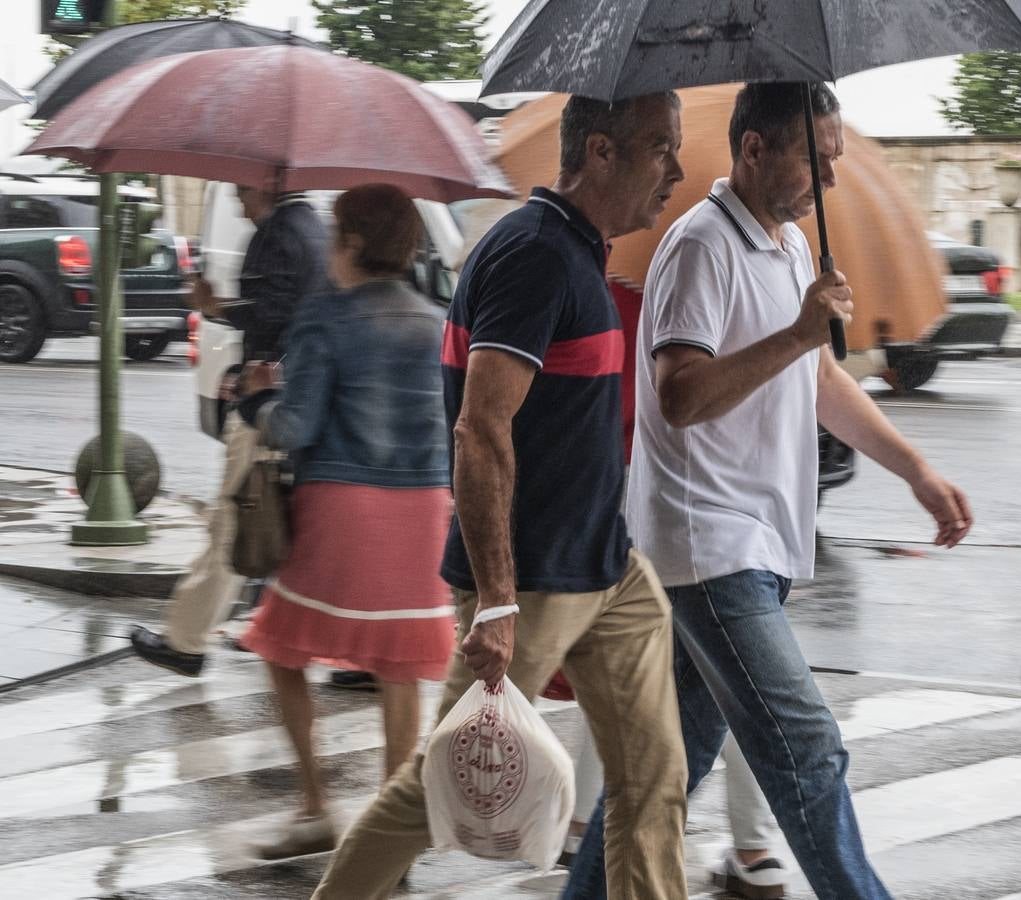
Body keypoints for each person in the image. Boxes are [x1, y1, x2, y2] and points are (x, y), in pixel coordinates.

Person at [564, 82, 973, 900]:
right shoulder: (699, 247)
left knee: (662, 769)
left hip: (754, 542)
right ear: (756, 150)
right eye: (818, 159)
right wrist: (795, 330)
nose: (831, 175)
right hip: (708, 544)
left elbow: (818, 381)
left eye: (836, 158)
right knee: (807, 748)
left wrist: (915, 469)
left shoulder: (788, 247)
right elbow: (677, 395)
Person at [311, 91, 690, 900]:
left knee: (654, 781)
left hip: (606, 571)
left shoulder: (578, 252)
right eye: (662, 148)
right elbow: (480, 427)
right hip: (537, 579)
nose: (677, 172)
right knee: (435, 791)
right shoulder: (535, 254)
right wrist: (496, 598)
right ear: (600, 151)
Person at [225, 183, 454, 859]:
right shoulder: (435, 319)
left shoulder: (326, 318)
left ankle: (315, 806)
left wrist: (256, 398)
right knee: (400, 668)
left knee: (280, 645)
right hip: (422, 513)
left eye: (333, 233)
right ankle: (391, 835)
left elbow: (296, 426)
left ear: (351, 244)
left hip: (345, 508)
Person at [560, 281, 785, 898]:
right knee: (732, 678)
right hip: (728, 500)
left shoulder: (626, 287)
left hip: (647, 494)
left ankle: (585, 823)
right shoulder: (732, 282)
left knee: (624, 664)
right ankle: (755, 844)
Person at [130, 185, 330, 676]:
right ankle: (282, 631)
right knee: (270, 521)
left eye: (242, 188)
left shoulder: (281, 232)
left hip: (268, 396)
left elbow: (276, 315)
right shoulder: (310, 227)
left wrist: (216, 307)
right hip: (288, 392)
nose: (238, 199)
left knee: (235, 518)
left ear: (266, 182)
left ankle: (187, 641)